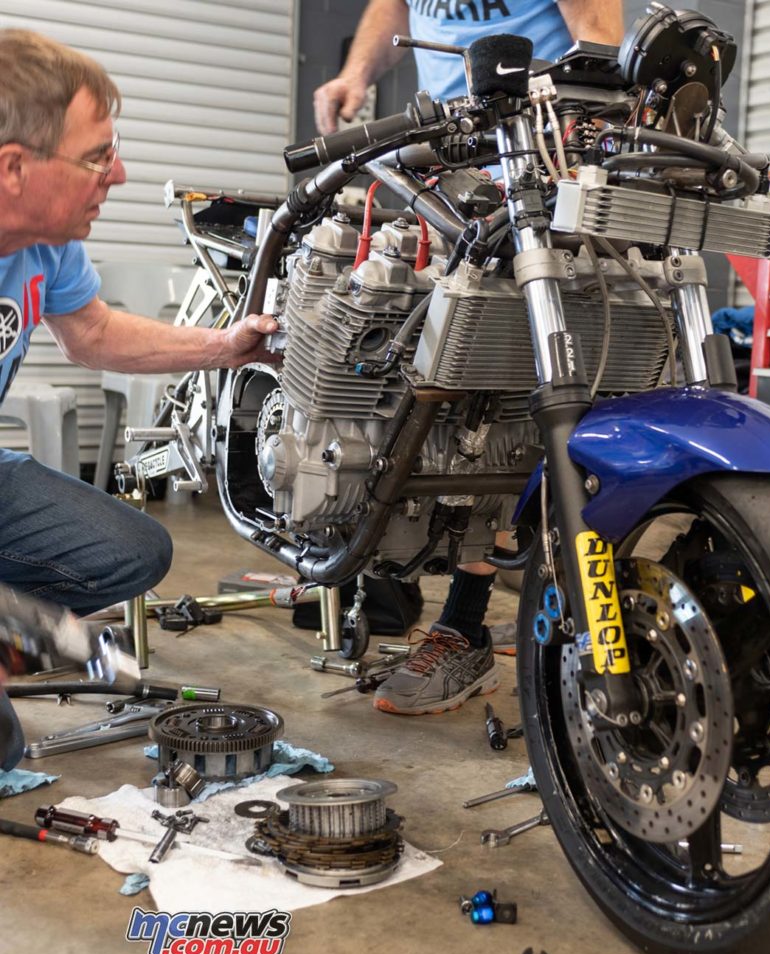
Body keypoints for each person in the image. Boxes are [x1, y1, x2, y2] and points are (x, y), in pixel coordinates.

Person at [314, 0, 624, 715]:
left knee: (496, 391)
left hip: (532, 156)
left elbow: (598, 33)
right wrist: (355, 76)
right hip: (442, 159)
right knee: (415, 371)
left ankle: (464, 622)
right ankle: (391, 567)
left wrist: (584, 127)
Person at [0, 30, 281, 764]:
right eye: (96, 157)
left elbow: (90, 331)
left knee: (133, 551)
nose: (118, 174)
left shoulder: (44, 243)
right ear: (12, 168)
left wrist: (225, 348)